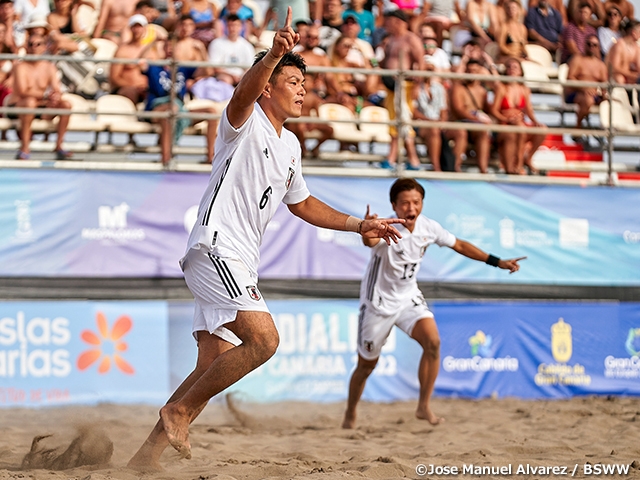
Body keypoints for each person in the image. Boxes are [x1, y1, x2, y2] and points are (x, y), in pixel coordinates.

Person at [126, 8, 405, 468]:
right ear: (270, 85)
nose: (302, 92)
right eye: (293, 83)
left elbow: (304, 205)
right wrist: (275, 55)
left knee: (209, 366)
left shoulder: (291, 145)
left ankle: (145, 454)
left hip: (236, 258)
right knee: (264, 341)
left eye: (304, 85)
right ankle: (176, 411)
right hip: (216, 247)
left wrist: (360, 224)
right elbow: (243, 93)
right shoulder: (244, 121)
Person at [342, 177, 525, 429]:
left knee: (433, 343)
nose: (411, 208)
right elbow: (370, 241)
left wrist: (497, 261)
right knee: (366, 366)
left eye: (416, 202)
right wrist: (367, 232)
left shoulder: (429, 227)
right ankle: (351, 412)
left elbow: (459, 244)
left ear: (422, 203)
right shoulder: (385, 227)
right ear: (394, 205)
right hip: (378, 304)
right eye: (404, 203)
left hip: (408, 298)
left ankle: (423, 406)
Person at [4, 31, 72, 160]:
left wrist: (55, 96)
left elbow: (57, 89)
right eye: (31, 44)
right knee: (29, 102)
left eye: (38, 44)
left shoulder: (49, 67)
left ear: (44, 46)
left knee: (65, 105)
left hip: (39, 105)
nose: (34, 47)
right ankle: (24, 147)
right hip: (18, 105)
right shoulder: (20, 67)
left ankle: (59, 146)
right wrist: (47, 96)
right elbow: (23, 92)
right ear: (27, 47)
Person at [379, 9, 424, 170]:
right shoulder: (391, 40)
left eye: (389, 21)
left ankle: (403, 158)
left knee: (404, 121)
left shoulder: (411, 39)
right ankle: (406, 159)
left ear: (398, 22)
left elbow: (420, 63)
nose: (386, 25)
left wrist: (418, 86)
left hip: (405, 85)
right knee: (394, 121)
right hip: (391, 86)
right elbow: (385, 61)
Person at [489, 57, 545, 174]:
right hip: (504, 123)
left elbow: (529, 110)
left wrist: (535, 121)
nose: (512, 70)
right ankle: (518, 164)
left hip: (519, 124)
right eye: (509, 67)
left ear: (520, 71)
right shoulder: (501, 88)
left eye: (515, 67)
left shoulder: (525, 89)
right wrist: (506, 119)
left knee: (542, 130)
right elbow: (494, 110)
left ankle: (527, 158)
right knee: (519, 128)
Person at [447, 59, 492, 173]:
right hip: (459, 123)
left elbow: (489, 109)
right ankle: (456, 167)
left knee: (483, 132)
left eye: (475, 71)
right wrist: (477, 119)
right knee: (461, 132)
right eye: (469, 70)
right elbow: (458, 110)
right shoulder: (458, 88)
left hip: (475, 124)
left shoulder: (482, 91)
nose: (472, 73)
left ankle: (483, 169)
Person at [564, 34, 607, 129]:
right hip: (576, 93)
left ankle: (606, 132)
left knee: (611, 103)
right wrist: (584, 88)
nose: (591, 47)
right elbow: (570, 78)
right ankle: (578, 126)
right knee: (588, 100)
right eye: (589, 44)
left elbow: (604, 84)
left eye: (594, 45)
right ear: (585, 45)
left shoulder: (601, 65)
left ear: (598, 47)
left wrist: (604, 95)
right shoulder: (577, 59)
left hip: (594, 95)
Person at [412, 64, 447, 170]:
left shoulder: (439, 88)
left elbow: (443, 110)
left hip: (436, 123)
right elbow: (413, 112)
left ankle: (453, 166)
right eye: (426, 70)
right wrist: (431, 121)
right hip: (420, 123)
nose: (428, 72)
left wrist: (442, 122)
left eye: (431, 70)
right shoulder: (415, 88)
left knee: (460, 133)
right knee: (433, 130)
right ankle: (436, 166)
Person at [110, 14, 150, 104]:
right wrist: (133, 86)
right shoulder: (122, 51)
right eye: (134, 27)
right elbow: (114, 77)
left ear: (145, 29)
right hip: (126, 88)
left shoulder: (150, 50)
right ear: (130, 28)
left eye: (140, 27)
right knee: (130, 93)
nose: (137, 30)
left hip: (145, 88)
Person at [208, 14, 255, 87]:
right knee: (226, 80)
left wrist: (242, 77)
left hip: (242, 76)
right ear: (226, 27)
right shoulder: (216, 43)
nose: (233, 28)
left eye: (236, 25)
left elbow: (250, 67)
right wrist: (232, 75)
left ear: (241, 27)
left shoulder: (247, 46)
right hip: (224, 76)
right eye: (230, 25)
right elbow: (215, 67)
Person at [607, 19, 640, 84]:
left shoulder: (636, 48)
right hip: (616, 77)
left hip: (629, 79)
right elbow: (614, 67)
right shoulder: (619, 45)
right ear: (634, 32)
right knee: (619, 78)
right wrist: (632, 75)